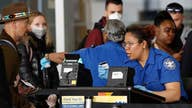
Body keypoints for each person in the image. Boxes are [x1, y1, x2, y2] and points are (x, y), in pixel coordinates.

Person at [123, 25, 187, 102]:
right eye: (125, 44)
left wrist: (149, 94)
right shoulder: (129, 64)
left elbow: (174, 95)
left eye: (130, 44)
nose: (126, 47)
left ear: (143, 44)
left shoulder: (164, 61)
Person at [17, 11, 59, 108]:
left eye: (44, 24)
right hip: (32, 101)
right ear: (29, 26)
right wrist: (45, 94)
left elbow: (54, 74)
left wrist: (54, 93)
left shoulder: (47, 47)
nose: (41, 27)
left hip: (49, 101)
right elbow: (26, 75)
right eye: (37, 24)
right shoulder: (24, 46)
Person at [0, 2, 35, 108]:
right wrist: (27, 105)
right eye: (26, 23)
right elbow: (5, 90)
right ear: (14, 23)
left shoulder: (9, 47)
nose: (29, 28)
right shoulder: (7, 51)